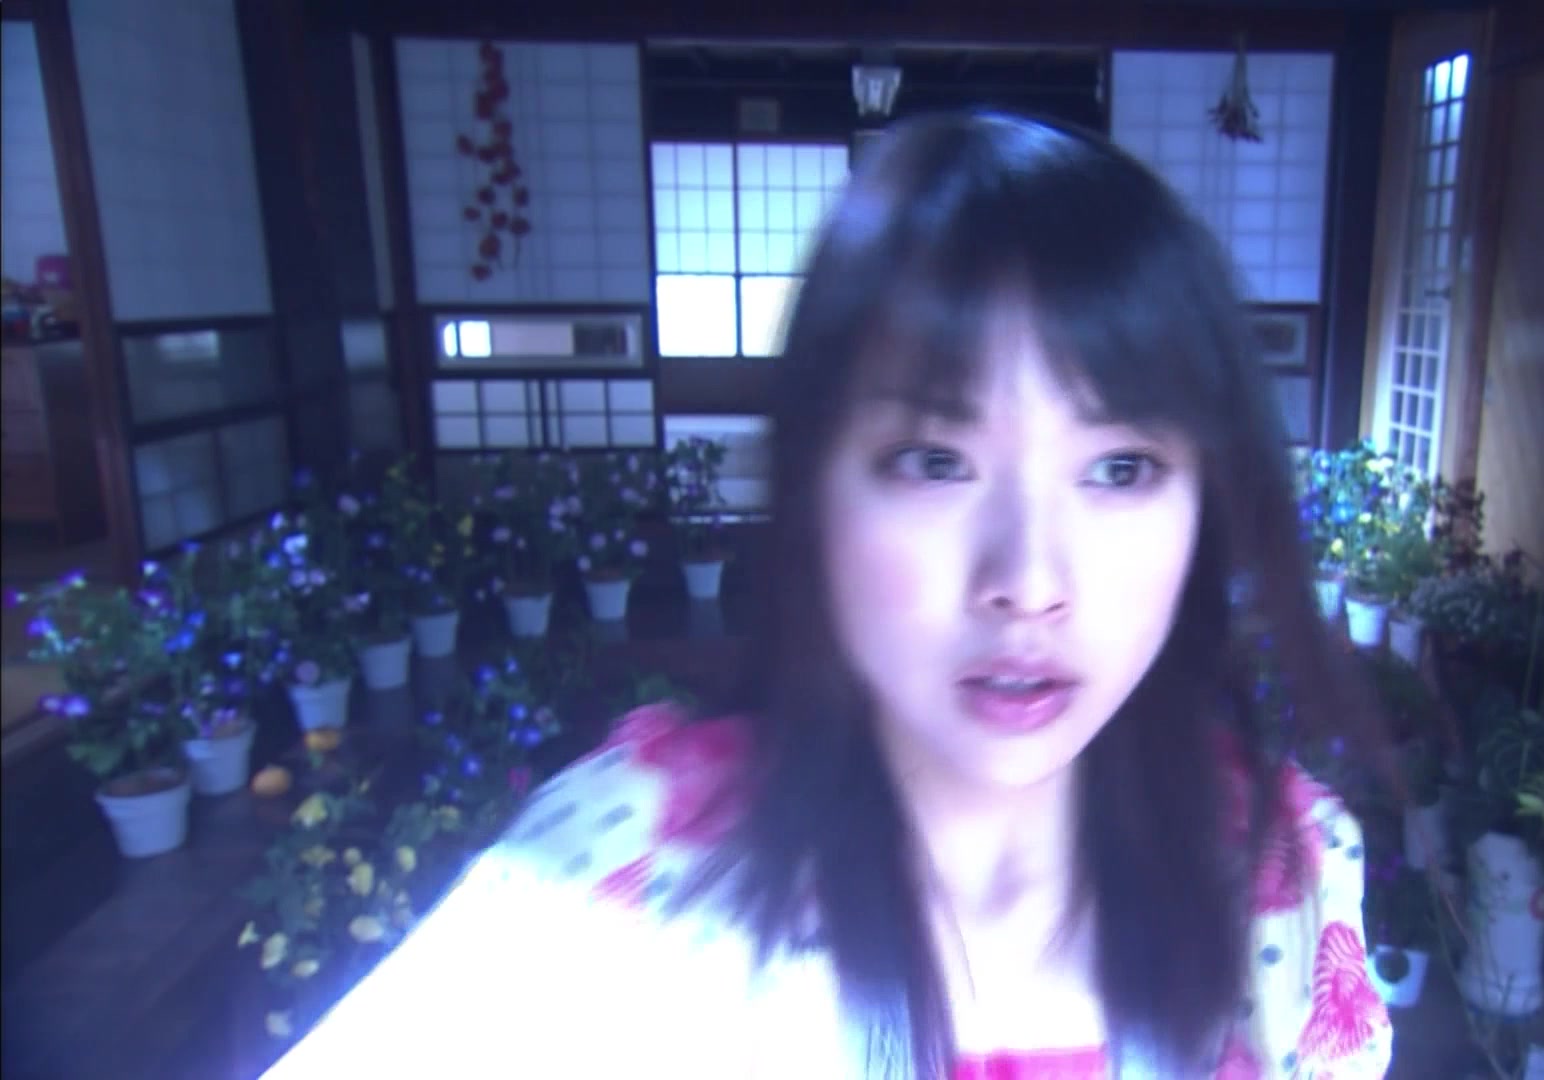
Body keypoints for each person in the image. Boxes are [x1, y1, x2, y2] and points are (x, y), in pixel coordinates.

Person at [263, 110, 1394, 1079]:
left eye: (1120, 469)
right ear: (814, 488)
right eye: (935, 462)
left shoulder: (1282, 867)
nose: (1029, 584)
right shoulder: (619, 883)